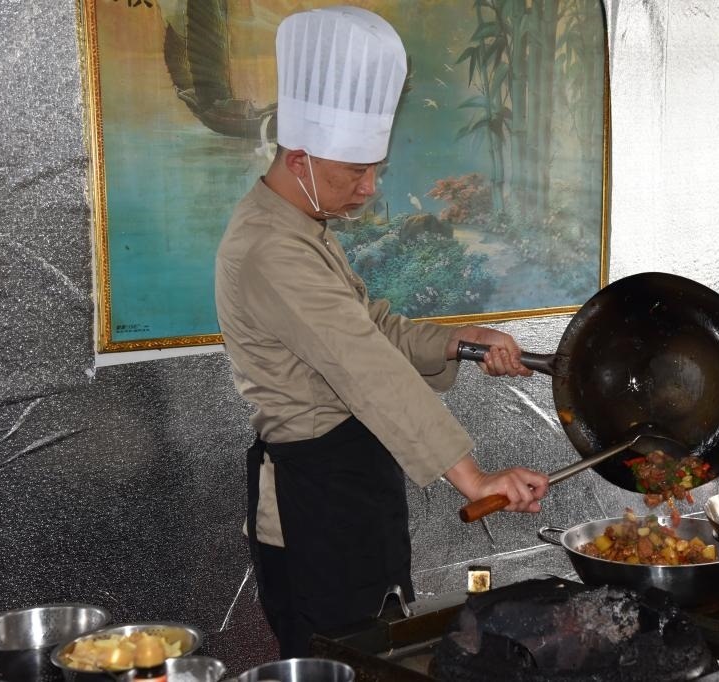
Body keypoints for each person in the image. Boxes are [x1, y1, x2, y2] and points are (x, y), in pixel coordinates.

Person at [214, 6, 550, 657]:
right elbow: (367, 366)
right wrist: (474, 479)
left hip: (353, 489)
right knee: (339, 660)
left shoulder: (301, 227)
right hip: (315, 506)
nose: (370, 188)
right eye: (354, 171)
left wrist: (462, 340)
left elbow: (371, 326)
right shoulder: (270, 248)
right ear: (301, 158)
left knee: (380, 651)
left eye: (376, 168)